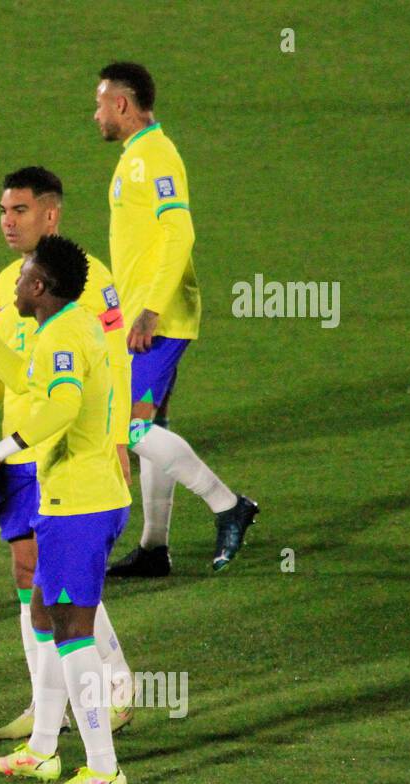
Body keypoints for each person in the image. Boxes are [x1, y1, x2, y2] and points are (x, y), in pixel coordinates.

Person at [0, 167, 133, 743]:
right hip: (20, 453)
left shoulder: (89, 280)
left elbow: (115, 365)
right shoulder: (10, 283)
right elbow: (13, 374)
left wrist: (119, 440)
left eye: (19, 210)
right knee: (34, 579)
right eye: (2, 210)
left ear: (51, 214)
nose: (7, 221)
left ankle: (114, 686)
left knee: (61, 581)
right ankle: (45, 708)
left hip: (63, 452)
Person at [93, 61, 259, 575]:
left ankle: (228, 505)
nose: (95, 114)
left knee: (129, 428)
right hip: (143, 315)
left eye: (100, 103)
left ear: (122, 103)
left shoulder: (155, 157)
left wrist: (150, 310)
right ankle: (153, 548)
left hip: (157, 319)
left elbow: (180, 233)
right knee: (154, 426)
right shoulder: (137, 155)